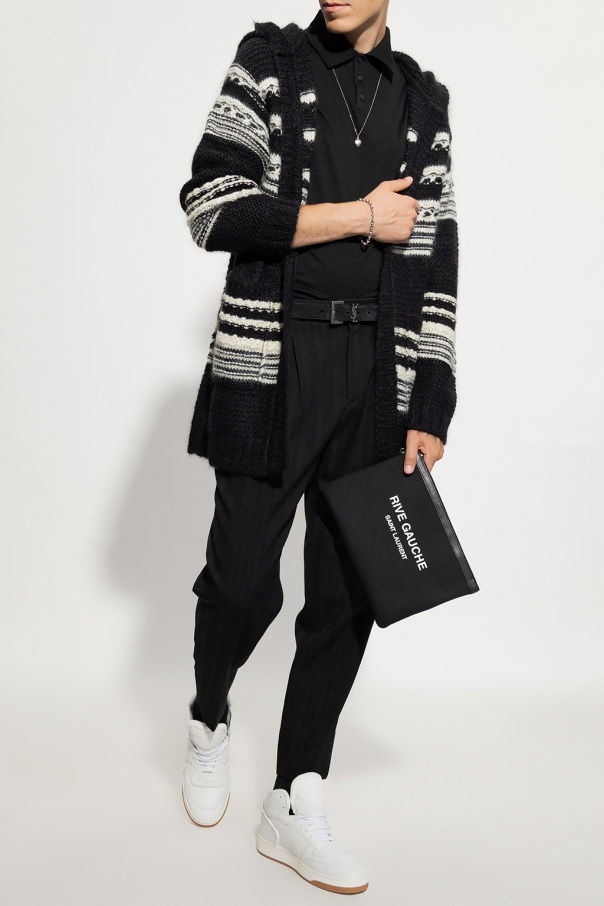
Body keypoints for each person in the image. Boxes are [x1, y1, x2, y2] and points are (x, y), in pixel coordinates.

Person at [178, 0, 459, 894]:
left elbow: (437, 255)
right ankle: (209, 715)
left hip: (380, 372)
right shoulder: (269, 61)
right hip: (274, 361)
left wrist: (432, 397)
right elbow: (210, 208)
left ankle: (295, 795)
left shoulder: (423, 100)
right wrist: (359, 217)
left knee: (345, 598)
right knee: (240, 581)